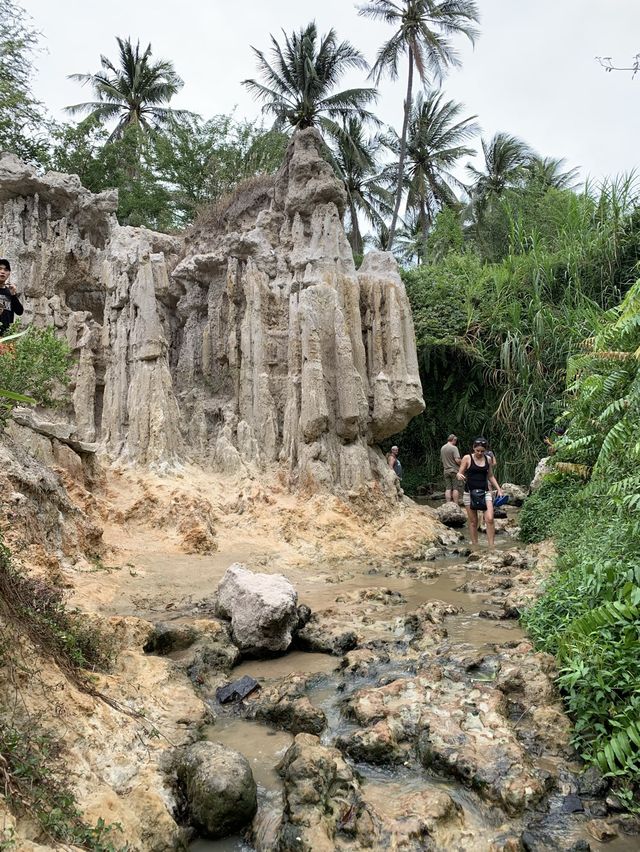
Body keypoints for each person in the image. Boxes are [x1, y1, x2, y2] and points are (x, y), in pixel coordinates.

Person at [457, 437, 503, 547]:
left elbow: (490, 476)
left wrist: (499, 489)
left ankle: (491, 546)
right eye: (477, 450)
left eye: (482, 451)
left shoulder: (488, 459)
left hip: (485, 492)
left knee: (490, 518)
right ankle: (475, 546)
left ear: (485, 450)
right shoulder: (467, 458)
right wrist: (459, 475)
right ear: (473, 448)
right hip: (469, 493)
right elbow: (459, 473)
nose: (479, 453)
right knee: (473, 521)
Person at [0, 259, 23, 335]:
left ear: (9, 273)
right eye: (0, 269)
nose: (2, 272)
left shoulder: (9, 292)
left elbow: (19, 311)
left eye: (6, 270)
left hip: (6, 336)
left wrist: (13, 295)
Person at [440, 434, 461, 503]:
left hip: (446, 470)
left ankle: (448, 504)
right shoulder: (454, 448)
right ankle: (456, 505)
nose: (456, 442)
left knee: (448, 488)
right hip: (454, 470)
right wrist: (462, 464)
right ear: (453, 440)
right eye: (456, 441)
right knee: (455, 488)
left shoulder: (442, 448)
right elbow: (457, 460)